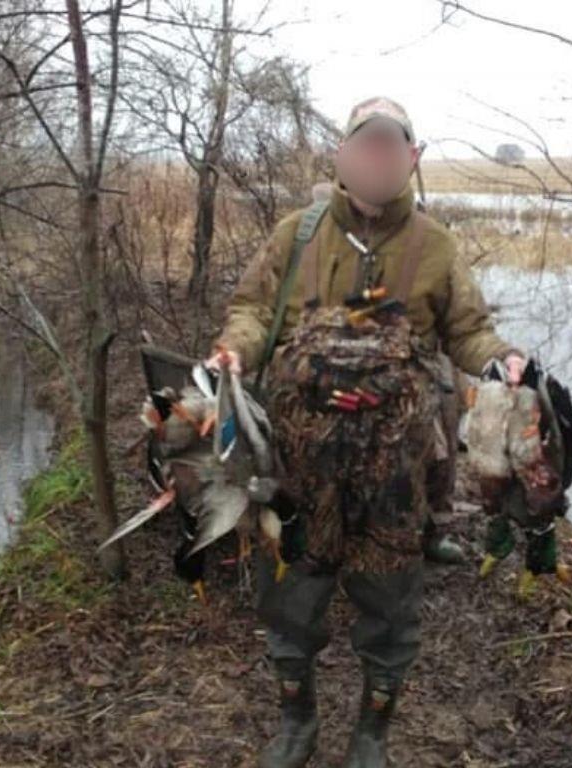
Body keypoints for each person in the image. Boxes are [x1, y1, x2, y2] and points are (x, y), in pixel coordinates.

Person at [207, 96, 525, 768]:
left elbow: (468, 331)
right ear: (343, 157)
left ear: (412, 159)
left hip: (394, 477)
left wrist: (503, 361)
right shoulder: (298, 233)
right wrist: (234, 349)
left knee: (389, 609)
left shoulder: (436, 245)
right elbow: (253, 311)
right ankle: (298, 724)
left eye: (392, 147)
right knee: (292, 597)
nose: (378, 158)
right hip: (300, 471)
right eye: (366, 146)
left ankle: (372, 734)